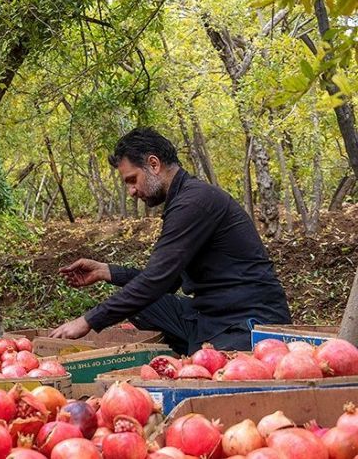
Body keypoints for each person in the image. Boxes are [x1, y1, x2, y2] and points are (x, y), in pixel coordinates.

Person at [50, 128, 292, 354]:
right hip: (209, 315)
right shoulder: (183, 200)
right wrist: (106, 271)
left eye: (132, 180)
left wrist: (87, 321)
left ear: (153, 164)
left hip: (248, 319)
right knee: (140, 302)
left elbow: (157, 280)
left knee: (215, 368)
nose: (132, 191)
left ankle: (205, 352)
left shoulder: (194, 201)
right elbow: (167, 281)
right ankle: (194, 348)